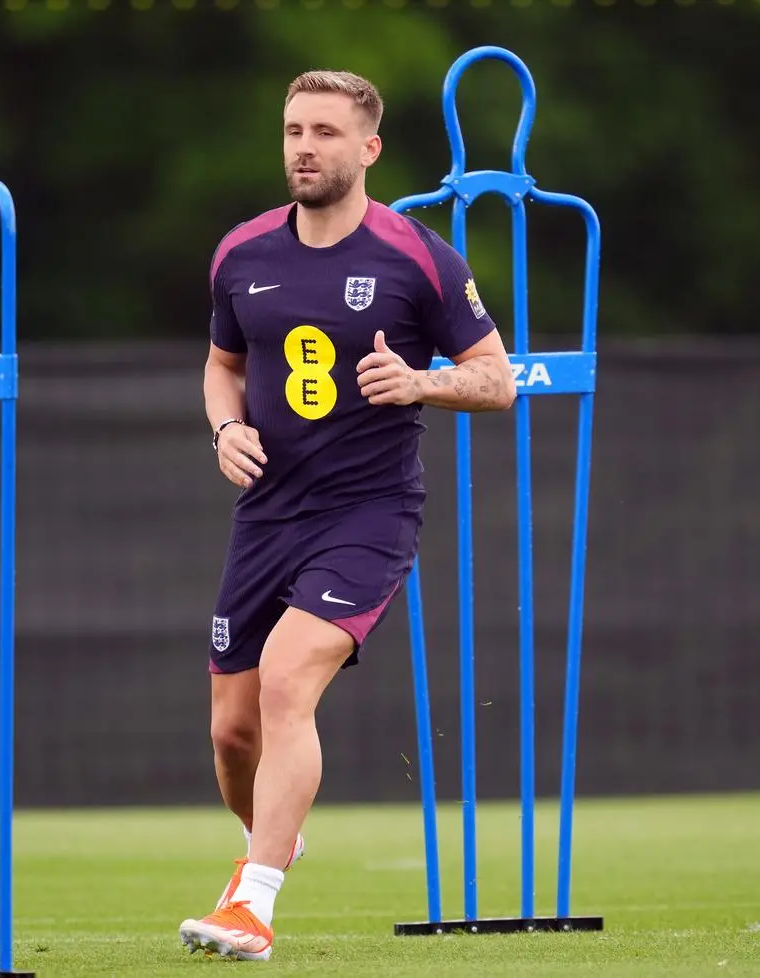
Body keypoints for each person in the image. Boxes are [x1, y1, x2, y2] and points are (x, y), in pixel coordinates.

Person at [178, 68, 515, 962]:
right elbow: (222, 366)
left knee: (289, 681)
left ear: (367, 149)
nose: (303, 147)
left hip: (367, 511)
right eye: (293, 129)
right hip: (267, 516)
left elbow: (498, 379)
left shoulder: (418, 256)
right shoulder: (242, 253)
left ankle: (253, 902)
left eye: (325, 132)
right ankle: (271, 842)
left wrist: (419, 382)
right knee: (233, 729)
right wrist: (224, 429)